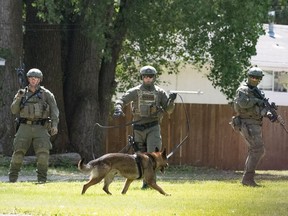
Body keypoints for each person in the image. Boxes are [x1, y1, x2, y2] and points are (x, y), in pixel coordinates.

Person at [113, 65, 176, 189]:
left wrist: (171, 101)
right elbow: (121, 99)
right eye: (145, 76)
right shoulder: (135, 91)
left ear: (154, 77)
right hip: (138, 127)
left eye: (150, 76)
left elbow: (168, 110)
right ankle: (141, 178)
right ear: (142, 77)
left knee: (152, 156)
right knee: (140, 157)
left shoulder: (159, 92)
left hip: (153, 126)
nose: (148, 79)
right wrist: (118, 108)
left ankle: (149, 183)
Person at [8, 68, 59, 183]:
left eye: (35, 78)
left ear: (40, 80)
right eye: (31, 78)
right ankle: (12, 179)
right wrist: (19, 97)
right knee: (18, 152)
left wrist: (54, 125)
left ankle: (41, 180)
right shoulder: (22, 93)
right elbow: (13, 110)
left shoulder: (47, 94)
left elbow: (54, 111)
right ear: (28, 79)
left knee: (43, 153)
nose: (33, 80)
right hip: (24, 127)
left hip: (41, 127)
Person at [232, 66, 277, 187]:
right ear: (248, 77)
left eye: (258, 78)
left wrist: (269, 114)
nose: (255, 79)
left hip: (255, 124)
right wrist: (258, 101)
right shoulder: (243, 90)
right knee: (257, 150)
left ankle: (247, 179)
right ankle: (247, 179)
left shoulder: (258, 92)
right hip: (247, 123)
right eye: (252, 77)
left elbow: (260, 109)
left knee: (256, 150)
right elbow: (243, 103)